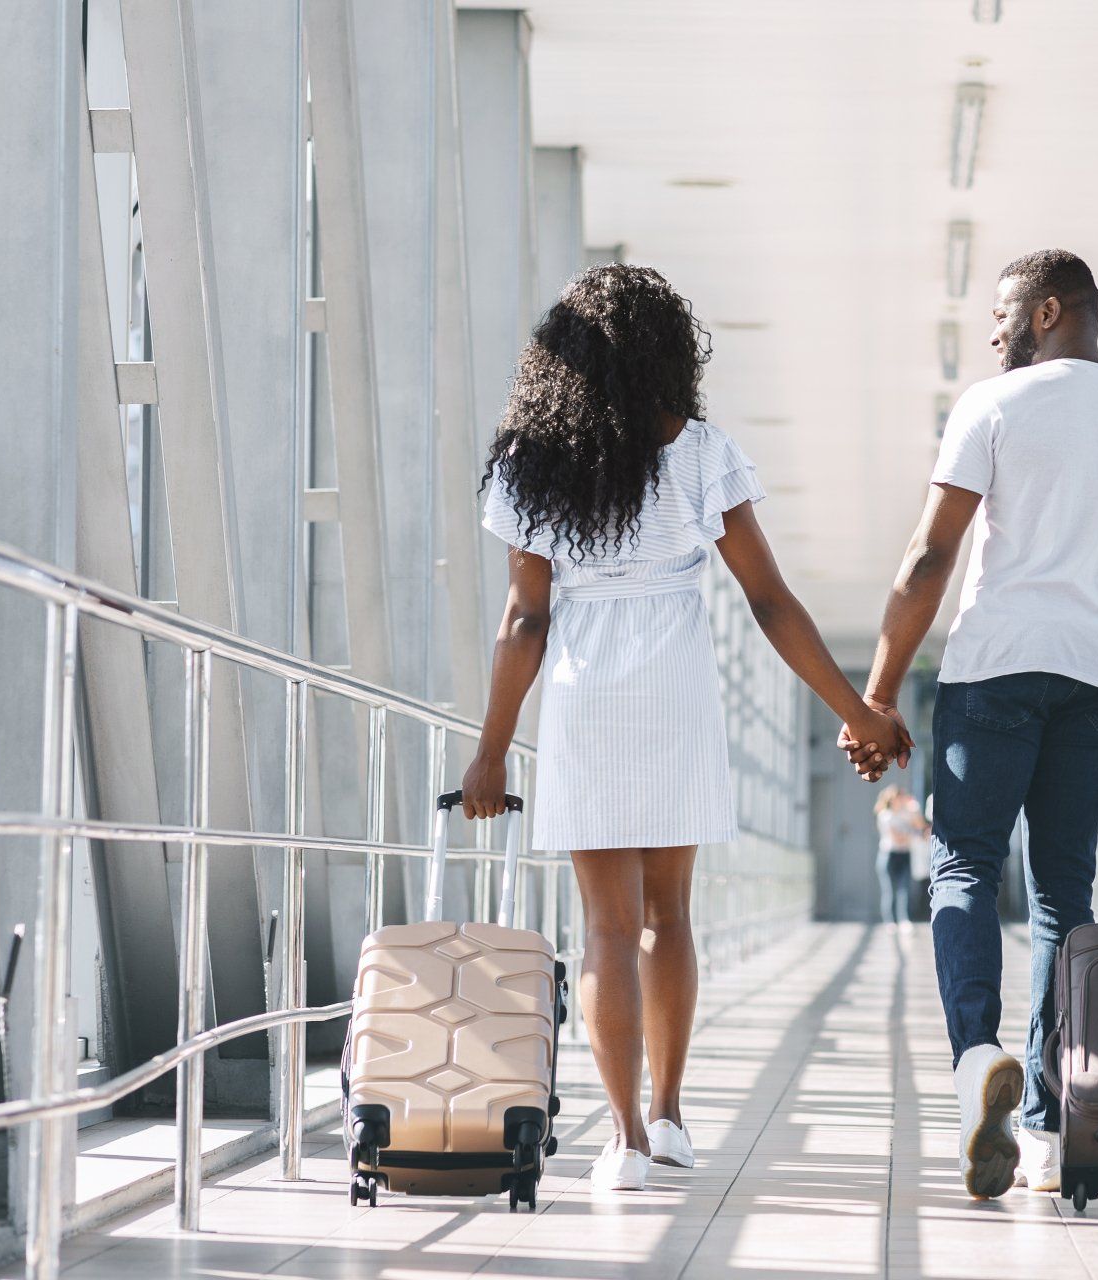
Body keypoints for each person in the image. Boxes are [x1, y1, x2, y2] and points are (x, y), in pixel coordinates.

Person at [462, 265, 909, 1193]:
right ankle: (669, 1115)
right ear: (669, 351)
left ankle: (619, 1138)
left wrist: (493, 750)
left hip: (587, 696)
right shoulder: (701, 452)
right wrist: (856, 710)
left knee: (607, 929)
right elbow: (770, 602)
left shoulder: (530, 466)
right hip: (674, 693)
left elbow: (525, 621)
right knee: (669, 917)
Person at [842, 249, 1098, 1199]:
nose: (992, 333)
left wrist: (877, 696)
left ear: (1049, 312)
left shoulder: (991, 408)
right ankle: (1043, 1129)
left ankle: (975, 1066)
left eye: (1002, 315)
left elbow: (930, 558)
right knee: (1060, 895)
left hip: (995, 668)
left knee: (963, 864)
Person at [873, 786, 928, 934]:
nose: (902, 800)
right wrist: (913, 834)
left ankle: (904, 920)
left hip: (905, 855)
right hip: (889, 856)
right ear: (892, 799)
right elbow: (898, 837)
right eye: (899, 797)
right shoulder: (885, 815)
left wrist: (915, 810)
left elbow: (922, 827)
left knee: (905, 890)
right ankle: (890, 921)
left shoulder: (908, 813)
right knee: (889, 891)